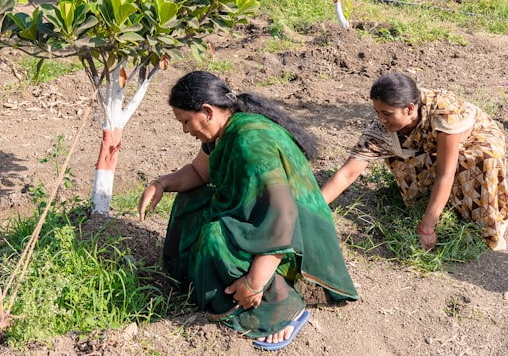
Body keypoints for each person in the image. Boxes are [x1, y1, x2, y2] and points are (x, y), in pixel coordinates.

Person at [139, 71, 358, 351]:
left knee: (215, 236)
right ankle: (202, 279)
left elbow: (282, 218)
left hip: (297, 237)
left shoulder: (250, 143)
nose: (185, 130)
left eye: (185, 121)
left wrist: (254, 283)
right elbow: (198, 172)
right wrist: (161, 184)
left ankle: (282, 309)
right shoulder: (222, 130)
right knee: (190, 201)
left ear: (206, 112)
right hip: (274, 220)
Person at [321, 71, 508, 251]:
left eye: (387, 113)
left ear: (410, 108)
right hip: (432, 143)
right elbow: (347, 173)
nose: (381, 119)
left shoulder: (444, 111)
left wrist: (427, 228)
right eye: (377, 112)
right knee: (401, 151)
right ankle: (432, 202)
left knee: (474, 162)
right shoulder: (381, 129)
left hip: (475, 140)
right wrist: (313, 207)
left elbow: (446, 174)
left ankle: (474, 225)